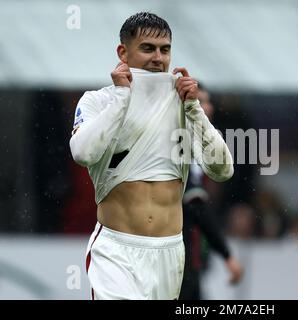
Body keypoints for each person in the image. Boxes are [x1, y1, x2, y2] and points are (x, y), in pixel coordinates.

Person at [69, 12, 234, 300]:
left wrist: (195, 110)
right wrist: (122, 97)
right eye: (148, 48)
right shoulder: (98, 100)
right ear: (123, 52)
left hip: (168, 253)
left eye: (165, 49)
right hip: (116, 251)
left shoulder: (185, 105)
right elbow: (83, 152)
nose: (158, 57)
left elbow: (222, 169)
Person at [179, 85, 243, 300]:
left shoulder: (200, 144)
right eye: (201, 101)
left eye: (208, 101)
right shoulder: (179, 143)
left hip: (190, 253)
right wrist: (227, 254)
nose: (208, 107)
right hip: (178, 255)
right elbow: (197, 206)